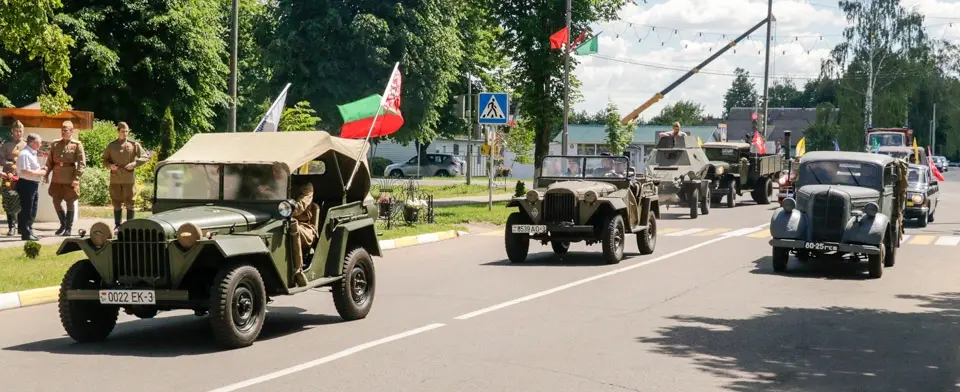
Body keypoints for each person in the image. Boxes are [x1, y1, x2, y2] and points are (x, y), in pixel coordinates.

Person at [101, 122, 147, 229]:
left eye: (127, 131)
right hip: (115, 178)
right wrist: (110, 166)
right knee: (116, 202)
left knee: (130, 202)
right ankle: (117, 225)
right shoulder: (111, 145)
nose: (125, 133)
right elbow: (104, 160)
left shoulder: (134, 144)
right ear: (118, 131)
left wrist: (134, 164)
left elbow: (145, 157)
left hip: (128, 178)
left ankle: (130, 226)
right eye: (123, 131)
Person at [44, 120, 86, 236]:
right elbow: (49, 162)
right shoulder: (55, 144)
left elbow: (82, 164)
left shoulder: (77, 145)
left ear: (71, 131)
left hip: (70, 178)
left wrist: (76, 178)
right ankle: (63, 223)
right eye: (62, 130)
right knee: (56, 201)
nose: (63, 132)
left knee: (70, 202)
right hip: (57, 178)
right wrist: (46, 174)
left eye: (65, 130)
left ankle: (68, 228)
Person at [16, 133, 46, 241]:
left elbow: (31, 168)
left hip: (32, 184)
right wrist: (40, 173)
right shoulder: (25, 153)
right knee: (27, 210)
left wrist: (40, 169)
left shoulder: (32, 153)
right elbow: (25, 171)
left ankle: (29, 230)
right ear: (33, 143)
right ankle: (25, 233)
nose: (40, 144)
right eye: (39, 142)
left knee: (32, 209)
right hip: (26, 184)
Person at [289, 180, 317, 287]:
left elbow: (299, 207)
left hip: (305, 226)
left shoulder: (306, 187)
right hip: (278, 219)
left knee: (292, 226)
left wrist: (283, 209)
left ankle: (298, 272)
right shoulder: (275, 184)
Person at [0, 120, 26, 236]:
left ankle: (21, 226)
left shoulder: (26, 145)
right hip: (8, 177)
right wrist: (9, 164)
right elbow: (0, 159)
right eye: (16, 131)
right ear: (12, 131)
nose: (18, 133)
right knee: (8, 201)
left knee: (22, 201)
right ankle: (11, 227)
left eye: (20, 131)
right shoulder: (5, 145)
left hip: (21, 177)